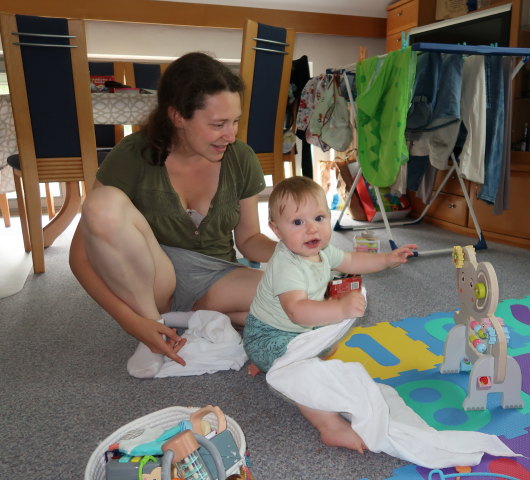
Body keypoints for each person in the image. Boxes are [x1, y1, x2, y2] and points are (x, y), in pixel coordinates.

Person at [69, 52, 277, 378]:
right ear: (178, 116)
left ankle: (196, 317)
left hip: (216, 277)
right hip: (154, 280)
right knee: (101, 203)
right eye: (218, 124)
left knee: (299, 296)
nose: (231, 135)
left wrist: (298, 253)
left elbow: (249, 240)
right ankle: (156, 327)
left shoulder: (241, 158)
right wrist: (133, 323)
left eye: (235, 121)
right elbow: (80, 257)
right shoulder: (132, 155)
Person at [242, 176, 416, 453]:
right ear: (276, 230)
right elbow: (297, 311)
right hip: (267, 337)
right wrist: (338, 309)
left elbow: (351, 260)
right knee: (306, 375)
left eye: (319, 218)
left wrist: (386, 259)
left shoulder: (322, 250)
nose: (311, 229)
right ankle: (329, 426)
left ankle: (270, 364)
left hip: (296, 332)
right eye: (298, 223)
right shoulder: (287, 265)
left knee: (328, 344)